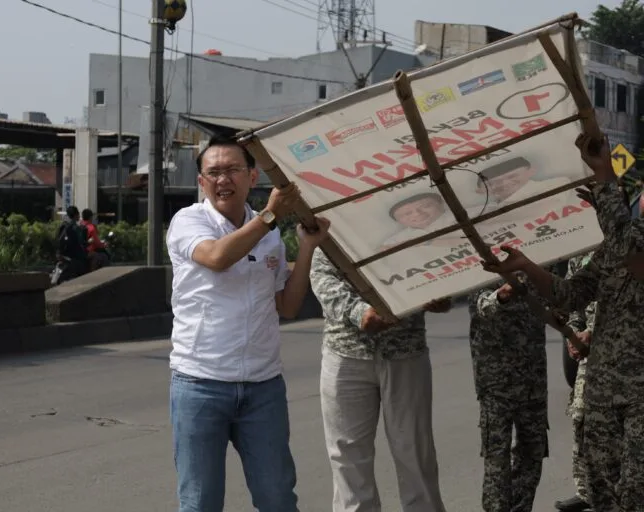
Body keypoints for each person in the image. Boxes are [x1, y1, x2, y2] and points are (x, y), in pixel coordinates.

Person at [165, 135, 331, 512]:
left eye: (233, 170)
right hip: (200, 383)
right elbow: (218, 257)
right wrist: (272, 216)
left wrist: (307, 248)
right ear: (201, 182)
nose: (224, 179)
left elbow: (287, 306)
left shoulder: (269, 236)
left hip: (262, 387)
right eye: (214, 172)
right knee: (200, 502)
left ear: (252, 176)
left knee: (277, 498)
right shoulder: (188, 221)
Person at [483, 133, 644, 512]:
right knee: (603, 491)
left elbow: (626, 250)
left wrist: (604, 171)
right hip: (604, 390)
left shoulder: (627, 243)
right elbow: (570, 294)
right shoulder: (619, 242)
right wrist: (525, 266)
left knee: (636, 492)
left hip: (639, 394)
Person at [309, 247, 451, 512]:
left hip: (405, 352)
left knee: (415, 453)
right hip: (345, 352)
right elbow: (322, 275)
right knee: (347, 458)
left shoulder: (410, 228)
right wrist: (358, 312)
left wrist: (441, 294)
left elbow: (436, 265)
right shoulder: (332, 227)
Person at [468, 275, 551, 512]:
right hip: (496, 380)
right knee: (497, 455)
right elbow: (479, 304)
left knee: (532, 451)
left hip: (533, 375)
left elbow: (557, 296)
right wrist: (501, 295)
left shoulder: (538, 263)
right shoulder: (482, 263)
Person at [554, 252, 596, 512]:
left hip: (626, 349)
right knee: (580, 416)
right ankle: (585, 491)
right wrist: (573, 334)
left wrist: (592, 331)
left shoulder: (627, 242)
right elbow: (572, 299)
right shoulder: (580, 255)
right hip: (589, 354)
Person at [56, 205, 88, 279]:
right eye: (78, 214)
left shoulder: (63, 225)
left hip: (63, 254)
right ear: (76, 215)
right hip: (74, 256)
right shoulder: (76, 227)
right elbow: (81, 242)